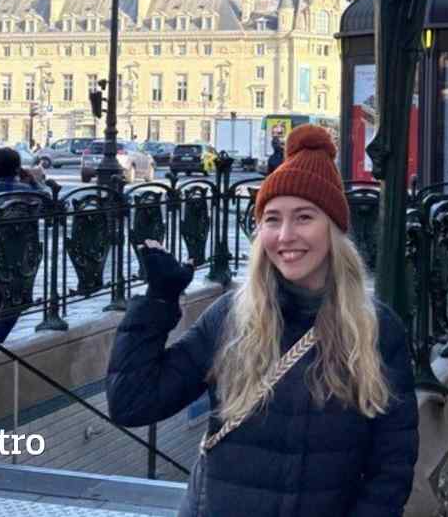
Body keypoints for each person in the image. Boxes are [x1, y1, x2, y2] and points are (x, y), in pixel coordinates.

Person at [107, 125, 417, 516]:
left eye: (304, 217)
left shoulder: (377, 329)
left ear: (334, 229)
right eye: (272, 219)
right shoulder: (231, 316)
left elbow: (390, 470)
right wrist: (157, 300)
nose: (285, 236)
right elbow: (132, 404)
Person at [0, 147, 51, 345]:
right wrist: (32, 180)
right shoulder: (25, 192)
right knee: (16, 303)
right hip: (12, 260)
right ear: (17, 169)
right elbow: (50, 204)